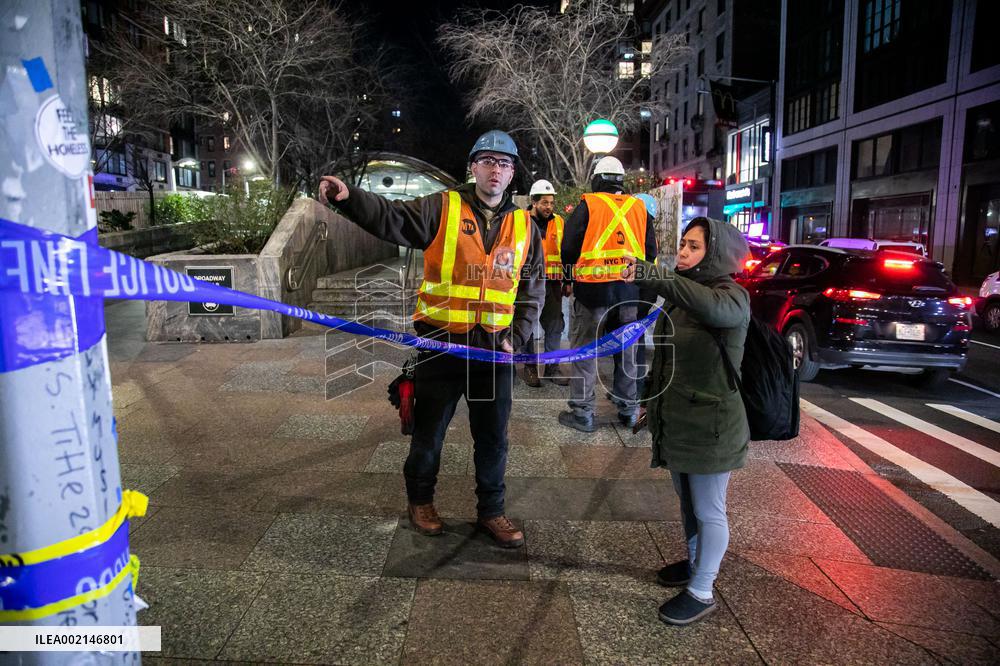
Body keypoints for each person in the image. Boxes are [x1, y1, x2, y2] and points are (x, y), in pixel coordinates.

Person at [318, 130, 544, 548]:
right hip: (440, 344)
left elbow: (533, 287)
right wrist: (350, 198)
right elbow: (393, 218)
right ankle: (420, 501)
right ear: (473, 166)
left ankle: (491, 511)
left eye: (505, 163)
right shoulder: (443, 207)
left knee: (494, 437)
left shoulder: (525, 224)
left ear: (513, 174)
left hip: (493, 350)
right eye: (489, 161)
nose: (497, 170)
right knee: (429, 432)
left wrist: (519, 334)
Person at [622, 216, 751, 626]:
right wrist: (647, 401)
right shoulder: (683, 297)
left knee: (710, 509)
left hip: (712, 425)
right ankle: (696, 563)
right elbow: (663, 357)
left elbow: (712, 309)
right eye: (683, 243)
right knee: (689, 503)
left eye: (694, 246)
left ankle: (702, 589)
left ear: (716, 254)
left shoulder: (730, 297)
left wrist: (651, 274)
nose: (683, 251)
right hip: (679, 418)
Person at [558, 156, 657, 432]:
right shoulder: (639, 208)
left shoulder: (588, 205)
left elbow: (569, 248)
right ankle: (628, 411)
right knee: (626, 351)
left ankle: (583, 414)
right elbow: (650, 253)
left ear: (597, 179)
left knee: (585, 352)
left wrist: (568, 279)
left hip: (592, 293)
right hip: (629, 294)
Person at [521, 179, 569, 388]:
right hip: (527, 284)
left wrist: (568, 280)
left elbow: (566, 253)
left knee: (555, 326)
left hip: (552, 284)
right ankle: (529, 367)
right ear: (533, 202)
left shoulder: (559, 222)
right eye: (544, 203)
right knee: (526, 326)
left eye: (551, 202)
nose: (549, 207)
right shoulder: (520, 221)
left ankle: (552, 367)